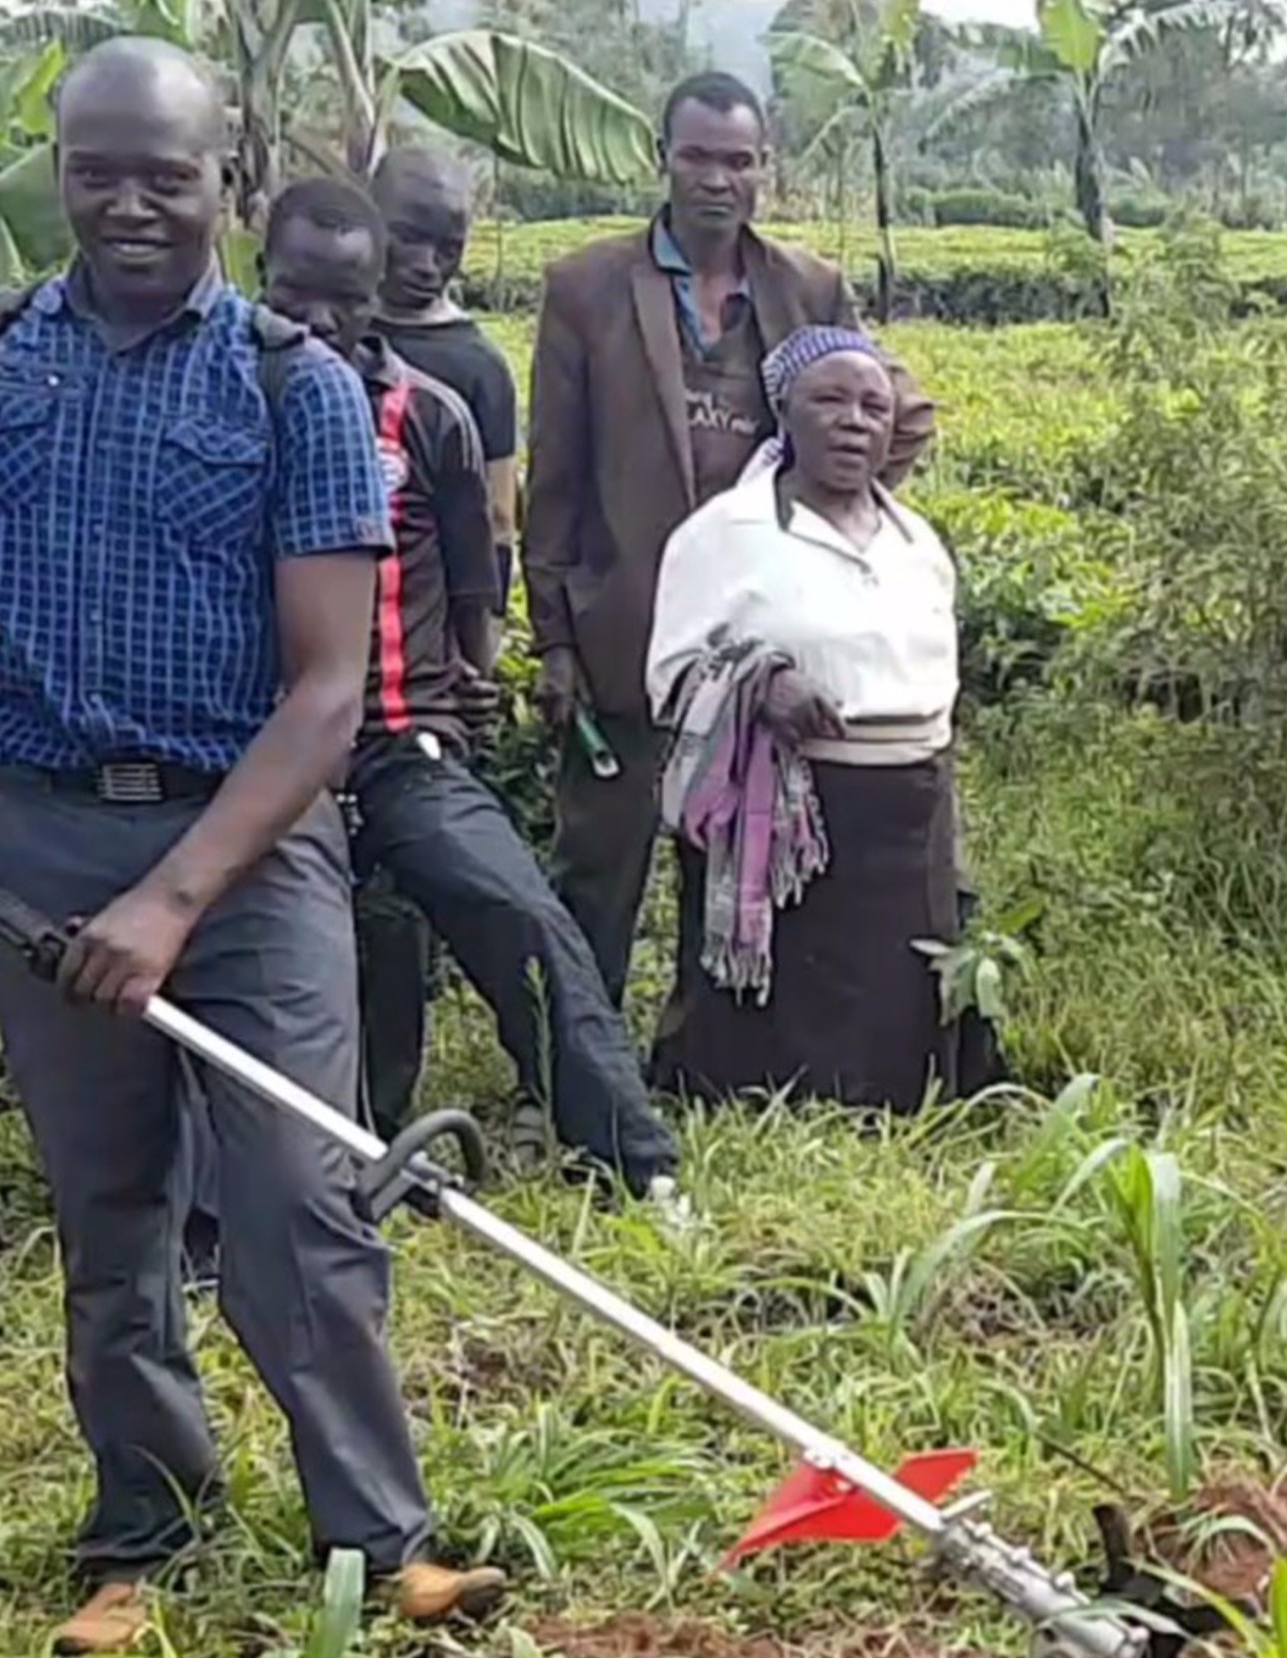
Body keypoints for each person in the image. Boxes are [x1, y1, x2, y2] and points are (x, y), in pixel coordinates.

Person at [0, 38, 506, 1656]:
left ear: (224, 187)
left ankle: (381, 1536)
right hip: (38, 833)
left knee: (294, 1194)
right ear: (54, 170)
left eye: (164, 175)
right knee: (109, 1208)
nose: (126, 203)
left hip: (247, 851)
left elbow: (331, 693)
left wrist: (177, 898)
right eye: (95, 169)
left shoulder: (292, 383)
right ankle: (142, 1536)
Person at [259, 175, 679, 1195]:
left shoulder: (430, 416)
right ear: (257, 276)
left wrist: (470, 685)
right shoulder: (210, 402)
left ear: (376, 298)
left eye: (343, 301)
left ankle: (637, 1162)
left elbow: (471, 567)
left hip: (401, 740)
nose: (317, 322)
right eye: (293, 294)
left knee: (521, 916)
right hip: (252, 762)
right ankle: (317, 1173)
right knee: (306, 973)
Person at [523, 71, 935, 1013]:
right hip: (624, 625)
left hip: (760, 638)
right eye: (699, 157)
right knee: (600, 871)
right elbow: (553, 478)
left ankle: (705, 1056)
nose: (719, 180)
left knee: (738, 849)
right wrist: (552, 640)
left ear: (764, 171)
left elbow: (894, 412)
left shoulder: (808, 286)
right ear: (661, 160)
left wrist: (834, 512)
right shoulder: (587, 287)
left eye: (739, 162)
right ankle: (571, 1073)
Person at [646, 327, 973, 1109]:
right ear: (784, 412)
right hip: (790, 807)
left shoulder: (916, 542)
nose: (854, 421)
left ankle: (903, 1107)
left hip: (907, 805)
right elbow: (669, 677)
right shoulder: (726, 535)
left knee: (901, 994)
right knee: (786, 1014)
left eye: (873, 406)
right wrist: (763, 686)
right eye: (829, 400)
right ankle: (760, 1109)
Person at [370, 147, 520, 619]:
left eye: (447, 249)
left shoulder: (479, 367)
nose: (427, 264)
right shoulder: (317, 334)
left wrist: (483, 640)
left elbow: (497, 520)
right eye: (408, 238)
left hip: (422, 639)